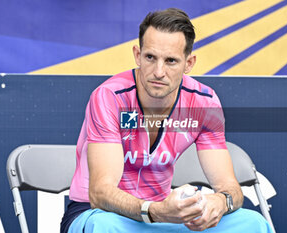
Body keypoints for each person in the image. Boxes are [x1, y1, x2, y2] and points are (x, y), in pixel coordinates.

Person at [61, 8, 274, 233]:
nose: (158, 72)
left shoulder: (204, 102)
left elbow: (229, 187)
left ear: (189, 63)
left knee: (253, 223)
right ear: (137, 55)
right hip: (103, 214)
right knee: (103, 226)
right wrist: (156, 211)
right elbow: (100, 193)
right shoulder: (109, 97)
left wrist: (220, 203)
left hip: (164, 218)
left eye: (171, 61)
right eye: (150, 57)